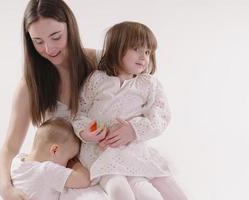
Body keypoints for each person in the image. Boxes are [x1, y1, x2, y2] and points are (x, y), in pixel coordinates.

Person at [0, 0, 107, 200]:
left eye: (56, 37)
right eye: (38, 41)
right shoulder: (30, 86)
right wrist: (6, 189)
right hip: (65, 184)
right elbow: (10, 147)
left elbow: (141, 95)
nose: (48, 49)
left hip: (107, 169)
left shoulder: (102, 64)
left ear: (70, 28)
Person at [72, 21, 188, 200]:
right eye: (136, 49)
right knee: (119, 190)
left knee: (159, 191)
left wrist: (134, 130)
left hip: (133, 150)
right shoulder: (97, 80)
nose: (144, 56)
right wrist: (87, 133)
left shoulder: (149, 84)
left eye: (148, 51)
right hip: (100, 152)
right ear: (116, 49)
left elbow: (161, 116)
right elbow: (80, 114)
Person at [10, 117, 90, 200]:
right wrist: (76, 164)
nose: (68, 164)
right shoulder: (48, 170)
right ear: (55, 150)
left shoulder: (17, 161)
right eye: (69, 159)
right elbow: (85, 180)